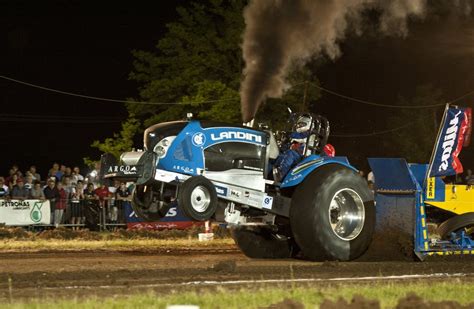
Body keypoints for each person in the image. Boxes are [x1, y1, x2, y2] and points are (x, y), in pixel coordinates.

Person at [272, 114, 312, 182]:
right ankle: (271, 172)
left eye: (302, 124)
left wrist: (289, 134)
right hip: (297, 154)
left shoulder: (309, 134)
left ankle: (281, 174)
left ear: (308, 124)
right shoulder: (298, 136)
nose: (299, 126)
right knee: (279, 155)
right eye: (299, 124)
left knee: (290, 154)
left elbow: (300, 137)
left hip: (303, 157)